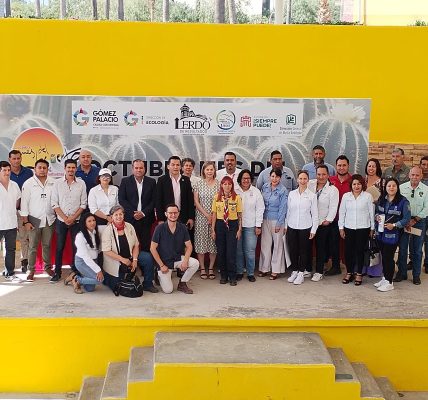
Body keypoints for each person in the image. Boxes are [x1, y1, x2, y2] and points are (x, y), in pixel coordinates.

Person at [102, 205, 158, 293]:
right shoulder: (107, 230)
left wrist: (135, 260)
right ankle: (108, 278)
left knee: (147, 257)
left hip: (131, 256)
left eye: (120, 214)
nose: (119, 217)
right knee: (117, 286)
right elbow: (106, 251)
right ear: (111, 217)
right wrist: (123, 260)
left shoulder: (129, 226)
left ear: (124, 215)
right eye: (116, 215)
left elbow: (136, 245)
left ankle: (148, 284)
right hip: (116, 260)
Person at [50, 159, 87, 283]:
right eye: (69, 167)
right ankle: (57, 272)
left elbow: (83, 204)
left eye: (73, 167)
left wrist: (73, 218)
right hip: (61, 221)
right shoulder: (57, 183)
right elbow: (54, 203)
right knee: (59, 247)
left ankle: (76, 271)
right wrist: (65, 218)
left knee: (77, 247)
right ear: (64, 168)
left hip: (76, 221)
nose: (71, 170)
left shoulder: (81, 183)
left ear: (76, 169)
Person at [150, 203, 199, 294]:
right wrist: (161, 265)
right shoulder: (159, 228)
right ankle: (157, 273)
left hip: (177, 258)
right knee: (168, 290)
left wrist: (185, 261)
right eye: (170, 213)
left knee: (195, 263)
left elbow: (189, 246)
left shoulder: (183, 227)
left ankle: (182, 283)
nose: (173, 215)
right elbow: (152, 248)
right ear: (166, 214)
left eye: (175, 213)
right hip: (164, 262)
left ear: (178, 213)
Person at [20, 159, 56, 281]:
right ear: (35, 169)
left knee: (47, 245)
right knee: (33, 246)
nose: (42, 170)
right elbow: (24, 204)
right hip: (34, 219)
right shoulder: (28, 183)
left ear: (48, 169)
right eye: (39, 167)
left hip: (49, 218)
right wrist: (26, 221)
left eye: (44, 168)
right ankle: (31, 270)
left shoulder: (53, 182)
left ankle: (48, 267)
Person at [374, 178, 411, 292]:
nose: (391, 188)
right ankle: (385, 278)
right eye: (389, 186)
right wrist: (377, 217)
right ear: (385, 187)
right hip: (380, 233)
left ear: (397, 187)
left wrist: (394, 225)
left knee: (389, 258)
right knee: (384, 257)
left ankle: (389, 282)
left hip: (393, 235)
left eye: (394, 186)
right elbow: (376, 212)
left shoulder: (403, 201)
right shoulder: (382, 199)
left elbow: (406, 219)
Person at [338, 174, 375, 286]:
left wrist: (372, 228)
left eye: (359, 184)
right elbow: (342, 212)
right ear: (351, 185)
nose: (356, 186)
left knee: (360, 251)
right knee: (348, 251)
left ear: (362, 184)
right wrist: (341, 228)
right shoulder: (346, 196)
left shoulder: (367, 196)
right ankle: (349, 272)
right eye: (354, 184)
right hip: (348, 227)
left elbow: (371, 213)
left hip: (363, 228)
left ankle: (359, 273)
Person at [395, 166, 428, 285]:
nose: (414, 177)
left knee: (417, 250)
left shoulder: (426, 189)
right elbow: (398, 204)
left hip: (419, 222)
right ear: (409, 175)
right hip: (404, 221)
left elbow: (426, 208)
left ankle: (416, 275)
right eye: (412, 175)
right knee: (403, 248)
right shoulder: (401, 188)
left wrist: (415, 220)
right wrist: (405, 220)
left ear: (421, 176)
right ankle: (402, 273)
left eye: (417, 175)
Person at [286, 170, 319, 285]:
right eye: (300, 178)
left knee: (304, 251)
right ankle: (294, 271)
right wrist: (286, 226)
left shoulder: (312, 196)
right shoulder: (292, 194)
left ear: (308, 180)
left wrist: (313, 229)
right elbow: (288, 211)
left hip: (305, 227)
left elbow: (315, 214)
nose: (302, 181)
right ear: (297, 179)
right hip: (292, 226)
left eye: (305, 179)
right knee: (293, 250)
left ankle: (301, 273)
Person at [308, 165, 339, 282]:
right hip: (309, 222)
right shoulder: (310, 184)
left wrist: (328, 220)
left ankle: (319, 272)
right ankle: (307, 269)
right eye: (319, 174)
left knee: (320, 248)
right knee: (307, 247)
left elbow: (333, 207)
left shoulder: (332, 189)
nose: (321, 177)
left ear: (328, 175)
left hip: (322, 223)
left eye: (323, 174)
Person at [118, 159, 156, 252]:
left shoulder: (151, 181)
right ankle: (132, 261)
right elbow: (122, 199)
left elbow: (154, 200)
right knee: (130, 243)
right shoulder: (125, 181)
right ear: (132, 169)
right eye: (136, 168)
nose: (139, 170)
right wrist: (133, 213)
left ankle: (146, 261)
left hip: (146, 218)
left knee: (146, 244)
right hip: (130, 218)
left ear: (144, 169)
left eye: (141, 168)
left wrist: (143, 213)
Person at [324, 155, 353, 276]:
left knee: (349, 245)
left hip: (349, 219)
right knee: (333, 244)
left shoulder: (353, 181)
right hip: (333, 218)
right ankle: (335, 266)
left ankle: (351, 268)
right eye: (339, 165)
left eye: (344, 165)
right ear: (336, 166)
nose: (341, 168)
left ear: (348, 166)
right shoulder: (330, 180)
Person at [211, 177, 242, 285]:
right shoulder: (217, 197)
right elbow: (214, 214)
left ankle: (232, 276)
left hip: (232, 225)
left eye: (229, 184)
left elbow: (239, 215)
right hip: (220, 224)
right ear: (221, 185)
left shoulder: (236, 197)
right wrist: (213, 230)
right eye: (225, 184)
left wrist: (239, 229)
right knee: (221, 252)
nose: (227, 186)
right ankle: (223, 276)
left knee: (231, 252)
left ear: (232, 185)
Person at [235, 169, 264, 282]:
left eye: (248, 178)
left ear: (251, 179)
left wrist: (258, 225)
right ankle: (239, 272)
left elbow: (260, 209)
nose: (246, 180)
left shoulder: (256, 192)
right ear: (240, 179)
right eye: (243, 178)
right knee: (238, 250)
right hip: (236, 226)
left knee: (250, 251)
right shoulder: (235, 190)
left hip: (251, 225)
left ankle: (250, 273)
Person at [259, 168, 288, 280]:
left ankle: (276, 270)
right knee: (265, 244)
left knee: (277, 245)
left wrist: (279, 223)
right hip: (265, 219)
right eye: (272, 176)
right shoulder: (265, 187)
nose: (274, 179)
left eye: (277, 177)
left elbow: (283, 207)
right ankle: (264, 268)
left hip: (277, 220)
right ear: (269, 177)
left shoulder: (283, 190)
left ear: (280, 178)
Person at [193, 161, 219, 279]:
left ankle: (211, 268)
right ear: (203, 171)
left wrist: (212, 216)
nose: (209, 171)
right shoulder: (198, 184)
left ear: (214, 171)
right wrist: (207, 215)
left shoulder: (219, 184)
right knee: (201, 242)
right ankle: (202, 268)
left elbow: (220, 201)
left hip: (216, 217)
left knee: (213, 243)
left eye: (211, 169)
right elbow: (196, 202)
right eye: (207, 169)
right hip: (201, 218)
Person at [9, 150, 33, 273]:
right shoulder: (5, 172)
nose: (16, 161)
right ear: (9, 159)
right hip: (9, 211)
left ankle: (25, 261)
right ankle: (9, 266)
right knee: (8, 239)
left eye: (18, 158)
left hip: (25, 211)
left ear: (21, 158)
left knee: (25, 237)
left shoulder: (28, 172)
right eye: (14, 158)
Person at [155, 156, 194, 228]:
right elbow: (158, 201)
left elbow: (190, 200)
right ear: (168, 166)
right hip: (167, 217)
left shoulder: (186, 180)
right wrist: (160, 219)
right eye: (173, 165)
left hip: (183, 218)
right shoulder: (162, 180)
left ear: (180, 167)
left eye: (177, 165)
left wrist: (191, 217)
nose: (175, 167)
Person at [71, 213, 104, 294]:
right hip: (82, 262)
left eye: (94, 220)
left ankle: (79, 277)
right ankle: (76, 279)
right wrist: (98, 270)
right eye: (89, 221)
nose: (92, 223)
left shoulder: (96, 232)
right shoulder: (80, 236)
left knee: (90, 288)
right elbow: (86, 257)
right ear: (84, 223)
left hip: (93, 261)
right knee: (99, 280)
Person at [0, 161, 21, 281]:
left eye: (8, 170)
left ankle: (10, 272)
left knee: (11, 250)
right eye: (4, 170)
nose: (7, 172)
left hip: (11, 223)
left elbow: (17, 203)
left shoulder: (14, 185)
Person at [88, 168, 119, 235]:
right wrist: (107, 218)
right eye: (103, 176)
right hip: (99, 220)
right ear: (99, 178)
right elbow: (93, 209)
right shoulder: (93, 190)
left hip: (114, 219)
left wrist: (112, 218)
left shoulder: (115, 189)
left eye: (108, 176)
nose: (105, 178)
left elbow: (118, 205)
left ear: (110, 178)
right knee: (101, 239)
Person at [420, 156, 428, 272]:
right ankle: (413, 260)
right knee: (416, 239)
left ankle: (427, 263)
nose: (426, 167)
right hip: (419, 216)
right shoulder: (416, 179)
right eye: (423, 164)